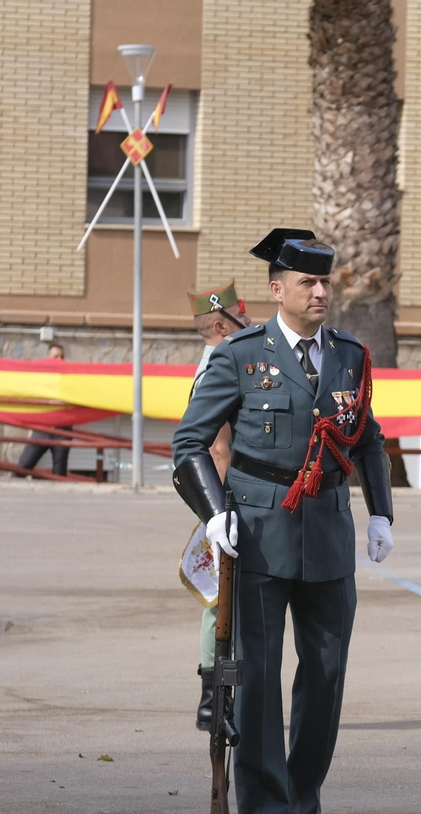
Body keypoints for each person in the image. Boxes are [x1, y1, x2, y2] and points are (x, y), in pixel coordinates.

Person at [171, 227, 395, 814]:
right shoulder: (240, 354)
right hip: (259, 532)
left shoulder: (348, 355)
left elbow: (367, 437)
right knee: (261, 679)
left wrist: (381, 514)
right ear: (278, 290)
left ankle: (305, 802)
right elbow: (189, 444)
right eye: (308, 283)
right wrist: (215, 513)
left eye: (326, 282)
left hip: (328, 529)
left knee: (326, 676)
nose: (321, 292)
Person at [188, 281, 253, 732]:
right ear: (219, 324)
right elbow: (216, 448)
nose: (248, 326)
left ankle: (219, 700)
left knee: (224, 600)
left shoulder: (217, 361)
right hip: (227, 501)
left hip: (221, 499)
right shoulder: (220, 366)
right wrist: (226, 508)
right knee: (224, 601)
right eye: (241, 320)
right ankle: (215, 703)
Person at [15, 344, 71, 477]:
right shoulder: (40, 376)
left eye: (62, 357)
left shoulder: (70, 377)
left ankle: (60, 498)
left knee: (59, 474)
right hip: (42, 429)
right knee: (23, 467)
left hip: (62, 431)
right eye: (55, 356)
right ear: (47, 358)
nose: (59, 359)